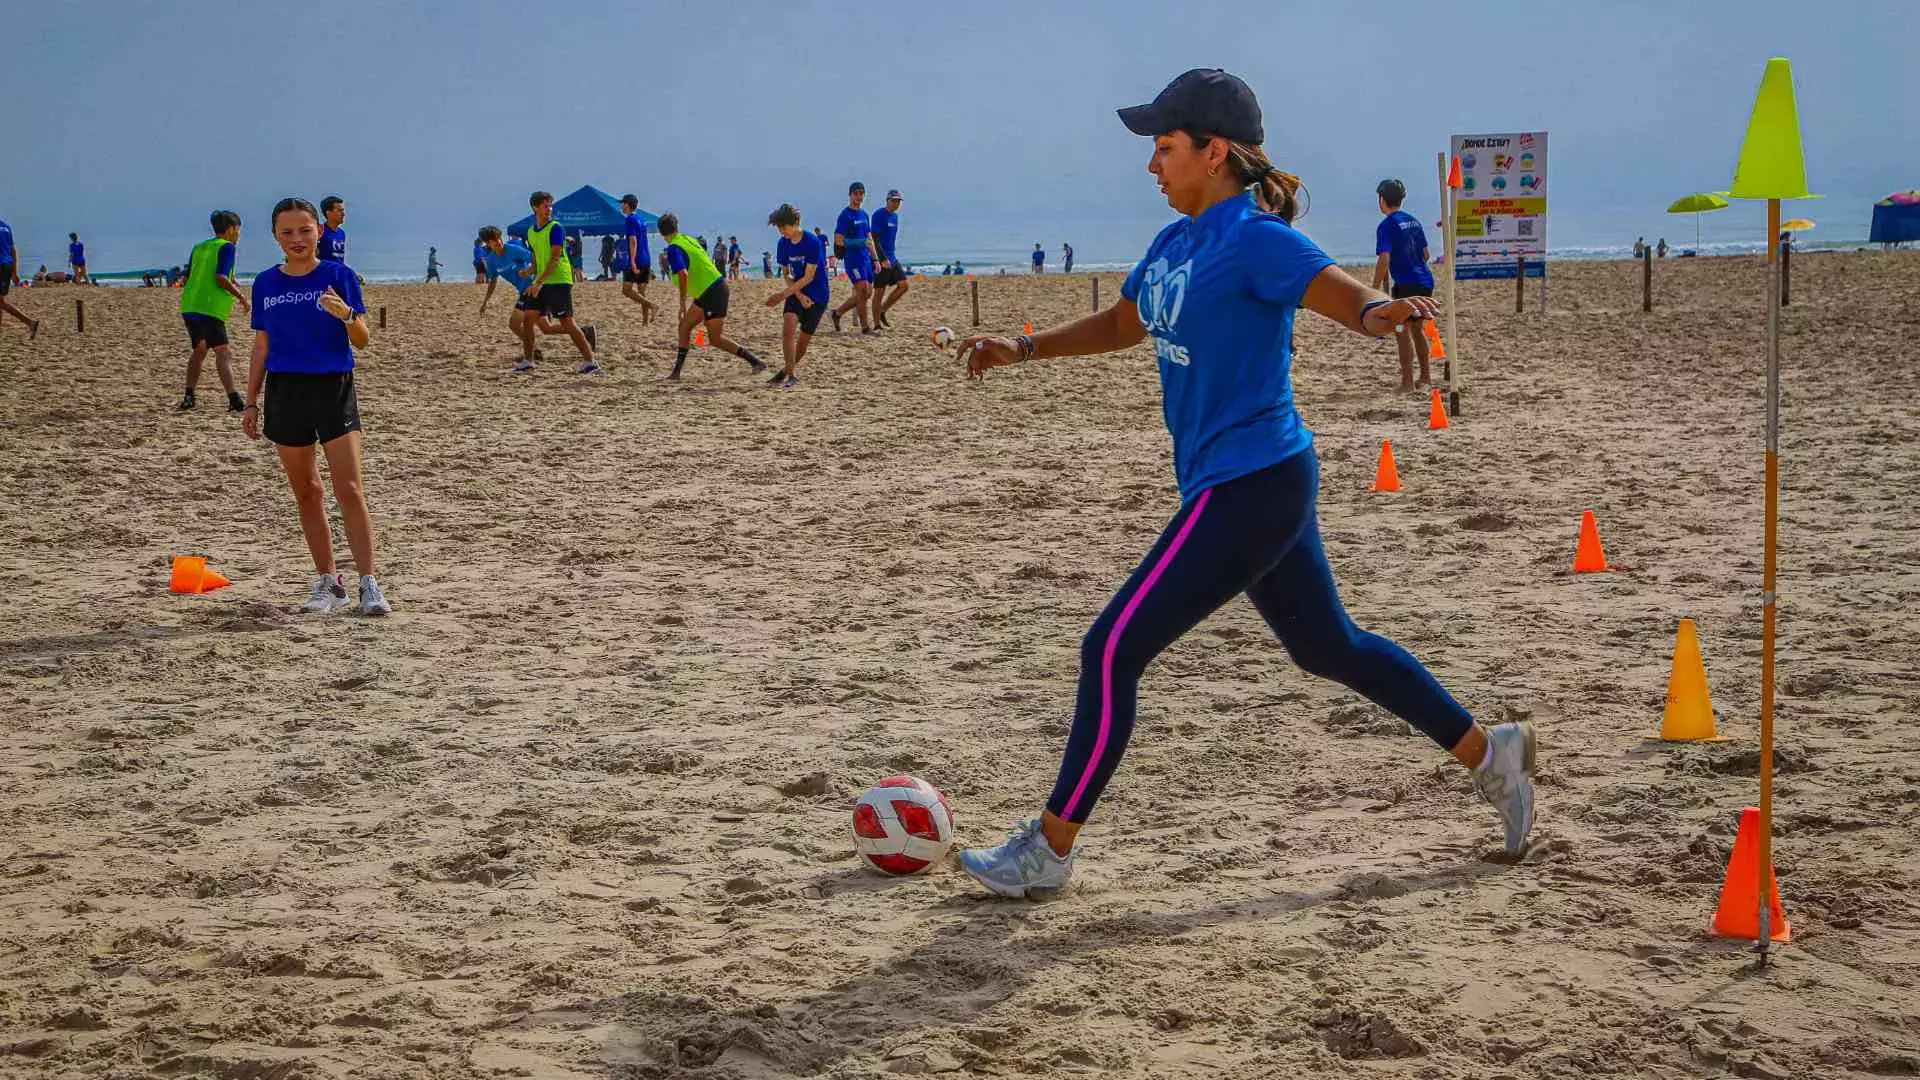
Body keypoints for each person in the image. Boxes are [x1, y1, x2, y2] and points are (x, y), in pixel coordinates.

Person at [951, 68, 1536, 900]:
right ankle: (1490, 752)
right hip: (1244, 481)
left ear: (1213, 150)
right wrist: (1024, 347)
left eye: (1164, 146)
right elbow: (1125, 322)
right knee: (1327, 647)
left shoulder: (1257, 239)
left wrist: (1385, 313)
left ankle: (1049, 849)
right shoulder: (1173, 243)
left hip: (1252, 481)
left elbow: (1343, 295)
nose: (1151, 164)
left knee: (1111, 648)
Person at [242, 196, 391, 617]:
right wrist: (250, 402)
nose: (297, 239)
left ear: (319, 232)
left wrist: (346, 314)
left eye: (305, 230)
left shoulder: (338, 276)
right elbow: (261, 345)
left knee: (350, 489)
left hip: (333, 387)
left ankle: (369, 583)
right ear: (275, 236)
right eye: (287, 232)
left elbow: (362, 339)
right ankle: (329, 582)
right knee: (307, 491)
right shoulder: (266, 283)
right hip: (285, 390)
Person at [658, 212, 765, 382]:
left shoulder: (674, 248)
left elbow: (683, 274)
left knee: (715, 339)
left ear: (661, 233)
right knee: (684, 326)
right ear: (676, 228)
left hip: (712, 292)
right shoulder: (687, 239)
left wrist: (682, 303)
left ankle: (756, 362)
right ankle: (676, 374)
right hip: (710, 290)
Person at [177, 209, 250, 412]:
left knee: (199, 350)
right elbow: (220, 277)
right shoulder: (227, 247)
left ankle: (189, 395)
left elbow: (192, 274)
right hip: (209, 307)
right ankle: (233, 397)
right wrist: (242, 297)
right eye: (238, 229)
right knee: (223, 352)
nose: (238, 234)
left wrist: (234, 281)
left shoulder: (199, 247)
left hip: (190, 305)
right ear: (231, 229)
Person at [518, 191, 599, 374]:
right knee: (528, 318)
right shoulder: (531, 232)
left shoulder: (556, 228)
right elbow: (538, 260)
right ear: (535, 207)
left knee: (567, 323)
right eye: (545, 206)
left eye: (550, 206)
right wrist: (529, 271)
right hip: (541, 280)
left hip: (559, 279)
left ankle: (590, 362)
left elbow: (554, 259)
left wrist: (538, 282)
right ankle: (528, 361)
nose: (549, 209)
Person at [1371, 178, 1435, 391]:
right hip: (1424, 281)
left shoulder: (1386, 225)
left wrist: (1374, 286)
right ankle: (1425, 377)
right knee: (1417, 329)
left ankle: (1407, 382)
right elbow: (1426, 254)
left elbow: (1384, 259)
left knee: (1400, 329)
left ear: (1382, 199)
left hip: (1406, 285)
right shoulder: (1414, 221)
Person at [764, 203, 827, 389]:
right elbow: (786, 273)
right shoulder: (783, 244)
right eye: (779, 227)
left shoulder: (812, 242)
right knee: (788, 329)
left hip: (818, 294)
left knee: (802, 344)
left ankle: (785, 371)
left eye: (784, 226)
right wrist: (796, 295)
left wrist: (781, 295)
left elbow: (809, 276)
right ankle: (792, 375)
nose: (781, 231)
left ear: (796, 222)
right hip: (796, 291)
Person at [475, 225, 546, 361]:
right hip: (523, 291)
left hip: (531, 289)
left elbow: (537, 260)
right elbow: (493, 281)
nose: (499, 242)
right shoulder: (491, 261)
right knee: (545, 327)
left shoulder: (513, 250)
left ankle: (534, 351)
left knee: (514, 324)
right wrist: (486, 301)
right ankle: (584, 332)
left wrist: (534, 279)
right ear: (488, 243)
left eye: (499, 238)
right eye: (494, 240)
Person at [831, 181, 879, 333]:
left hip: (866, 259)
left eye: (861, 193)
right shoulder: (845, 215)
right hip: (852, 259)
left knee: (866, 294)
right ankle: (865, 328)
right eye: (855, 193)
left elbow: (869, 238)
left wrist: (876, 259)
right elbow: (839, 240)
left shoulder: (865, 215)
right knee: (862, 290)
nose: (858, 196)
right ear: (850, 195)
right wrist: (859, 242)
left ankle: (837, 313)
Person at [870, 189, 910, 328]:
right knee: (879, 292)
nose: (896, 203)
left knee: (904, 286)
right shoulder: (879, 215)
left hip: (892, 257)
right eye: (893, 200)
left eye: (898, 201)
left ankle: (882, 311)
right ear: (887, 201)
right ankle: (876, 324)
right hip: (881, 258)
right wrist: (881, 258)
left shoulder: (895, 217)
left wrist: (889, 257)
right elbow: (874, 239)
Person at [618, 194, 658, 323]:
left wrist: (633, 261)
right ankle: (645, 321)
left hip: (637, 258)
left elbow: (633, 241)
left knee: (626, 290)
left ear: (627, 205)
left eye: (623, 203)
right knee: (641, 292)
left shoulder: (630, 219)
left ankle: (652, 305)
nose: (621, 206)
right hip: (646, 257)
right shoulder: (641, 219)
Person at [0, 215, 41, 338]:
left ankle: (30, 322)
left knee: (1, 302)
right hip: (7, 265)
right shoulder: (5, 226)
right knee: (0, 301)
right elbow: (13, 250)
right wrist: (14, 271)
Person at [319, 196, 348, 263]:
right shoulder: (319, 231)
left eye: (343, 210)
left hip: (337, 272)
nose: (343, 214)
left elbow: (339, 260)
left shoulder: (341, 233)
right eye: (339, 211)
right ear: (328, 213)